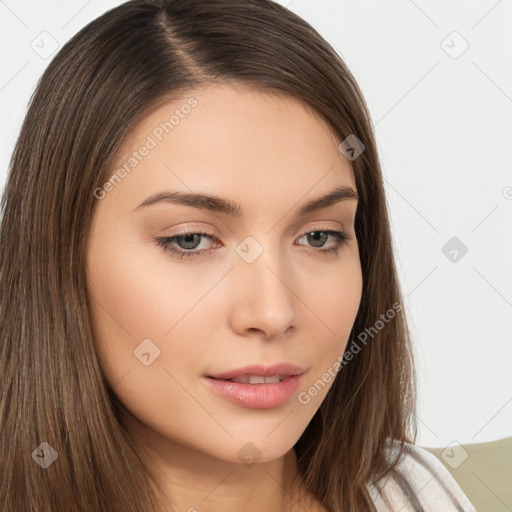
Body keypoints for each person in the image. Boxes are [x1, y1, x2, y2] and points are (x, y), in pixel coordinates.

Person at [0, 1, 477, 511]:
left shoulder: (433, 492)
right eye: (190, 240)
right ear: (60, 260)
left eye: (319, 236)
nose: (273, 313)